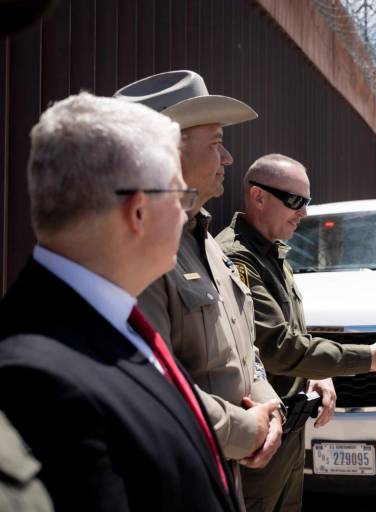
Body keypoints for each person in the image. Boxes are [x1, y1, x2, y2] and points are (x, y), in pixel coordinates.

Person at [0, 92, 241, 511]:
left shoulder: (111, 322)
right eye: (180, 196)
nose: (186, 212)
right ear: (139, 212)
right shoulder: (39, 376)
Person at [114, 70, 283, 499]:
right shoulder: (141, 251)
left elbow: (245, 348)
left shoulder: (203, 240)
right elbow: (151, 385)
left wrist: (269, 407)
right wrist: (247, 430)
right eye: (215, 144)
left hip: (221, 476)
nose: (228, 158)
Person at [215, 153, 376, 512]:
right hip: (261, 434)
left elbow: (296, 332)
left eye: (307, 201)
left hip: (290, 429)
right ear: (258, 197)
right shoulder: (237, 258)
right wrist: (372, 358)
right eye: (295, 201)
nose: (303, 212)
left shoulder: (272, 252)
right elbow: (279, 346)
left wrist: (318, 374)